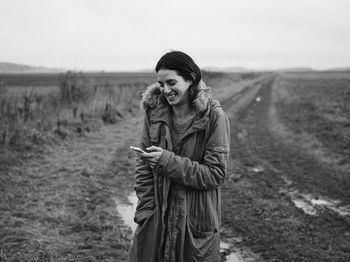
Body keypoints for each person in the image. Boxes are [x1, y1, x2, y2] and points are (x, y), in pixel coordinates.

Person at [128, 51, 230, 262]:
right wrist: (146, 211)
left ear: (190, 78)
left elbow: (215, 174)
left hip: (194, 225)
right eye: (161, 84)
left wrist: (167, 162)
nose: (165, 90)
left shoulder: (213, 117)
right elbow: (143, 165)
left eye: (171, 82)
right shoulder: (153, 113)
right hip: (156, 220)